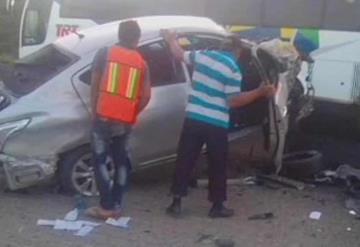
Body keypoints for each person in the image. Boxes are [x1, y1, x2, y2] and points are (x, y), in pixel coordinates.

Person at [162, 30, 276, 218]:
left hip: (194, 117)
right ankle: (217, 206)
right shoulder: (233, 69)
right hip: (215, 123)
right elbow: (233, 101)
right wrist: (259, 92)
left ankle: (176, 202)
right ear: (237, 51)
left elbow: (179, 54)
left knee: (185, 159)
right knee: (217, 163)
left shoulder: (203, 56)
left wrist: (171, 39)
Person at [87, 20, 151, 219]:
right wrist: (132, 112)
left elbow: (95, 84)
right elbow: (146, 95)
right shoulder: (141, 62)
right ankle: (116, 204)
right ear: (137, 38)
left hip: (103, 116)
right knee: (121, 161)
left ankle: (106, 207)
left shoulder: (105, 54)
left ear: (119, 35)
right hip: (124, 121)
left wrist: (94, 110)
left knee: (99, 161)